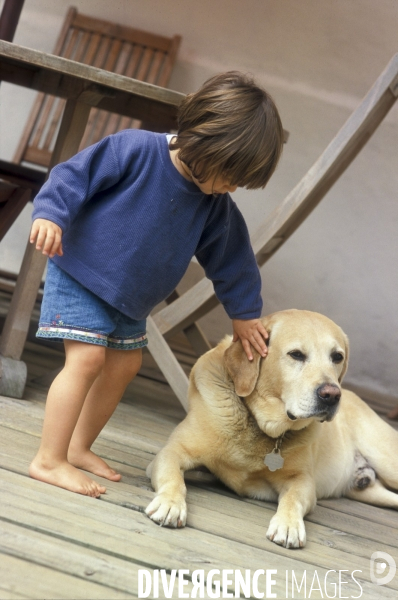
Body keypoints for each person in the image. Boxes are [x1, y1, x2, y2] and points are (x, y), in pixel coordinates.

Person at [28, 71, 284, 497]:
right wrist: (51, 214)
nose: (232, 187)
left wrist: (244, 316)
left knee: (124, 366)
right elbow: (73, 176)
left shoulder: (213, 203)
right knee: (88, 360)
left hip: (130, 300)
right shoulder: (135, 150)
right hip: (82, 273)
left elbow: (232, 259)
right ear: (203, 143)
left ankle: (77, 447)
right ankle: (48, 459)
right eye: (229, 174)